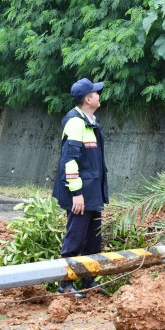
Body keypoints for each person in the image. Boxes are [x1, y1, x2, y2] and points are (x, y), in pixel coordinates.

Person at [53, 78, 108, 298]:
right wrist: (76, 193)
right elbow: (70, 161)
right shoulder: (75, 122)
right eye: (95, 92)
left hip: (92, 192)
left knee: (93, 239)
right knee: (75, 238)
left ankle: (88, 282)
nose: (98, 95)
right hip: (80, 194)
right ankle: (65, 284)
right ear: (88, 99)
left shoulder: (89, 120)